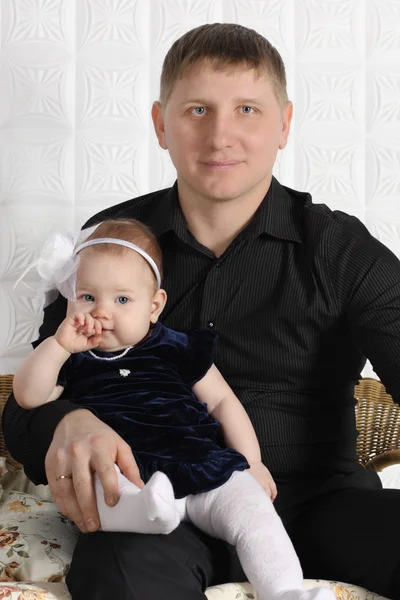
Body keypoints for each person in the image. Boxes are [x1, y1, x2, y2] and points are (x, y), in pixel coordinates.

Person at [3, 21, 400, 600]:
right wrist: (68, 420)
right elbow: (21, 412)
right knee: (117, 574)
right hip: (160, 507)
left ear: (284, 124)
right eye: (197, 110)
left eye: (246, 109)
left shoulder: (341, 250)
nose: (221, 136)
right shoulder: (107, 248)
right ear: (161, 124)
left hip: (323, 505)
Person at [13, 218, 334, 600]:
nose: (103, 312)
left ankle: (286, 592)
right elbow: (28, 396)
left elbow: (221, 401)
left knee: (255, 515)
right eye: (87, 297)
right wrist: (59, 345)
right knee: (105, 493)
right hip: (130, 471)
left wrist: (251, 461)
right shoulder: (75, 358)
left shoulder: (176, 346)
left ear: (154, 306)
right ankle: (149, 513)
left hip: (200, 462)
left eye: (122, 300)